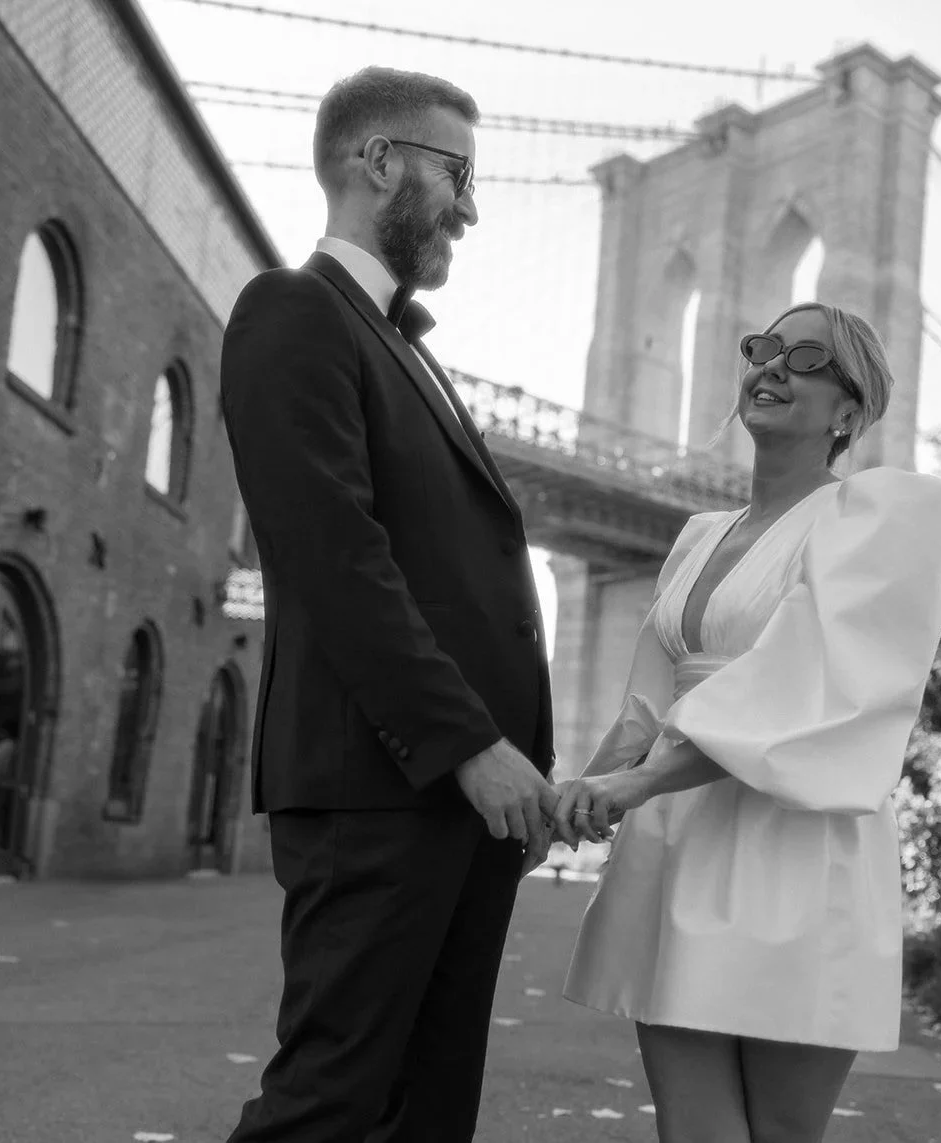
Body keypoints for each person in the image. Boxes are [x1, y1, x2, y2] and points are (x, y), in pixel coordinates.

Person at [219, 66, 557, 1143]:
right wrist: (469, 742)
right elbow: (336, 557)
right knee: (329, 1105)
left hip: (456, 801)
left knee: (426, 1107)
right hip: (383, 784)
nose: (470, 205)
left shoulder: (411, 349)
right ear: (379, 163)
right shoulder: (293, 312)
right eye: (456, 174)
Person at [553, 302, 941, 1143]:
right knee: (690, 1127)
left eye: (806, 358)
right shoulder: (697, 536)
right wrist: (565, 809)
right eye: (762, 348)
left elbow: (813, 687)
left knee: (778, 1131)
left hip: (795, 846)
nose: (771, 365)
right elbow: (643, 708)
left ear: (850, 412)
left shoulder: (880, 515)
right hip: (675, 838)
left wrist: (637, 781)